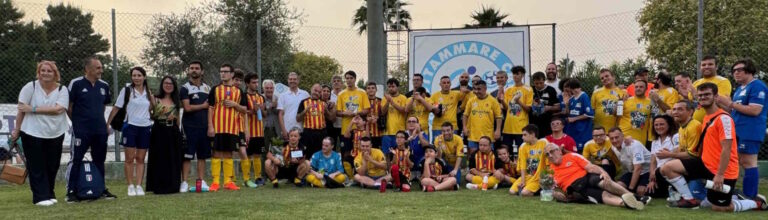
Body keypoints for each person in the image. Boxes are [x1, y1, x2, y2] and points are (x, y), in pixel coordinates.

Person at [661, 83, 768, 211]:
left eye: (707, 94)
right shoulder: (706, 117)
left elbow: (726, 149)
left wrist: (720, 175)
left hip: (723, 171)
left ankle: (755, 203)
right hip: (705, 165)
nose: (703, 97)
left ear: (716, 96)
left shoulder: (723, 119)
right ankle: (690, 200)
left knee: (719, 208)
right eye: (700, 95)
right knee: (667, 168)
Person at [11, 61, 69, 206]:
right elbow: (21, 110)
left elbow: (58, 109)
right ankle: (40, 197)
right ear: (39, 72)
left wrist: (33, 109)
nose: (45, 73)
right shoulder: (30, 87)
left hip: (55, 132)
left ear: (55, 73)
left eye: (49, 71)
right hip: (31, 131)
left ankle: (50, 193)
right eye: (42, 70)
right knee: (36, 165)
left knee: (52, 165)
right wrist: (16, 130)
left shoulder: (63, 90)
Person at [715, 59, 768, 200]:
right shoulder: (740, 89)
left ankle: (751, 196)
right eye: (734, 71)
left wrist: (730, 103)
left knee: (748, 161)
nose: (735, 73)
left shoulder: (757, 86)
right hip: (738, 130)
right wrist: (719, 103)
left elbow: (755, 110)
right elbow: (735, 110)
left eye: (739, 70)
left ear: (750, 70)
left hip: (750, 130)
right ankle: (738, 192)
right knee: (736, 160)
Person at [67, 56, 117, 202]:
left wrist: (100, 122)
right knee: (75, 159)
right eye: (98, 68)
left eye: (101, 67)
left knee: (99, 160)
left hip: (99, 130)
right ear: (87, 69)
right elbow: (69, 107)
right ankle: (71, 191)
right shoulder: (76, 83)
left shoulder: (104, 85)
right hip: (81, 130)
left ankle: (100, 188)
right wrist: (77, 123)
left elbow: (103, 106)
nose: (101, 70)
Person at [546, 144, 646, 210]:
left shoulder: (572, 156)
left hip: (587, 177)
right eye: (547, 154)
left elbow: (590, 167)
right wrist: (555, 194)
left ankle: (634, 196)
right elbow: (552, 188)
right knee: (604, 195)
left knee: (603, 181)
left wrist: (604, 173)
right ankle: (627, 204)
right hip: (575, 187)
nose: (550, 155)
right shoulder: (550, 170)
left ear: (559, 151)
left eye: (552, 151)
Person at [107, 67, 154, 196]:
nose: (136, 78)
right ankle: (130, 186)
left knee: (140, 158)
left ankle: (139, 185)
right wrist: (107, 124)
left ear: (144, 77)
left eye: (139, 75)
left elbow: (151, 110)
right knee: (129, 158)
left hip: (145, 128)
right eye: (134, 75)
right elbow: (116, 108)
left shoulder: (148, 93)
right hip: (130, 127)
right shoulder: (127, 90)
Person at [207, 64, 248, 191]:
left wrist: (235, 104)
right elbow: (210, 108)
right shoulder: (215, 89)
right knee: (216, 153)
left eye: (225, 72)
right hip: (218, 127)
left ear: (232, 74)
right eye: (221, 71)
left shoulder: (239, 91)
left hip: (232, 128)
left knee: (229, 153)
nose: (222, 74)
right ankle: (215, 182)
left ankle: (228, 181)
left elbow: (245, 109)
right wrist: (210, 126)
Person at [145, 76, 183, 194]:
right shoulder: (155, 98)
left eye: (171, 84)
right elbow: (148, 113)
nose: (168, 85)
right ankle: (158, 186)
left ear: (174, 86)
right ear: (162, 85)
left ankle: (173, 186)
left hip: (173, 130)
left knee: (173, 158)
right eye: (166, 83)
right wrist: (155, 115)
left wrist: (178, 128)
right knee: (159, 157)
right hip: (159, 130)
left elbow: (178, 119)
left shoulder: (176, 100)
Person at [179, 60, 212, 192]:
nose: (194, 70)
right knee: (187, 156)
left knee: (202, 156)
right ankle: (185, 182)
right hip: (189, 127)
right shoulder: (185, 88)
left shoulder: (208, 88)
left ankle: (201, 180)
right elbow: (187, 107)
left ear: (202, 71)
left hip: (204, 127)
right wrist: (203, 106)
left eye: (197, 68)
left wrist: (211, 125)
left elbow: (211, 108)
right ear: (188, 71)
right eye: (191, 68)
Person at [462, 80, 502, 155]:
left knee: (488, 157)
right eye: (475, 89)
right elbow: (465, 115)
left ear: (485, 88)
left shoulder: (493, 101)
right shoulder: (471, 101)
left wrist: (498, 130)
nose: (476, 91)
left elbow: (498, 117)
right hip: (473, 135)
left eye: (479, 89)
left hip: (488, 136)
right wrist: (464, 127)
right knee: (473, 157)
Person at [241, 74, 267, 188]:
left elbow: (265, 114)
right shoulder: (243, 96)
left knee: (257, 155)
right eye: (253, 82)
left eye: (257, 82)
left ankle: (258, 178)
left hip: (259, 132)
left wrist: (261, 109)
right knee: (248, 155)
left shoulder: (261, 97)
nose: (256, 84)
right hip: (248, 131)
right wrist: (253, 110)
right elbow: (242, 112)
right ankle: (246, 179)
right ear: (247, 83)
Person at [609, 127, 651, 196]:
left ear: (622, 136)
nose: (614, 140)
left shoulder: (634, 145)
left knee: (640, 191)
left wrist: (630, 189)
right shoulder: (613, 147)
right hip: (631, 172)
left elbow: (638, 168)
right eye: (612, 138)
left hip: (646, 172)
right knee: (617, 187)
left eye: (617, 137)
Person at [337, 71, 371, 156]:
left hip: (360, 129)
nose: (349, 80)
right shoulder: (341, 94)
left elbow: (367, 110)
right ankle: (347, 169)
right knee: (346, 154)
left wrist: (355, 113)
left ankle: (360, 169)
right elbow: (337, 112)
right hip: (346, 129)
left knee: (361, 152)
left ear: (355, 79)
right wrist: (345, 113)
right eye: (347, 78)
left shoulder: (362, 92)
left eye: (351, 78)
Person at [297, 84, 334, 158]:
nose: (317, 93)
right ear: (311, 90)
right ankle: (308, 168)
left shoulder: (323, 103)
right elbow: (298, 118)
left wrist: (329, 108)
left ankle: (319, 169)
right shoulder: (304, 102)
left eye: (319, 92)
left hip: (321, 133)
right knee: (307, 155)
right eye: (315, 90)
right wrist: (305, 110)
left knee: (321, 155)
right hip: (308, 133)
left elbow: (330, 118)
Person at [510, 125, 548, 196]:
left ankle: (540, 188)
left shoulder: (544, 142)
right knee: (512, 192)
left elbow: (548, 163)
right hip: (528, 176)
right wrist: (523, 180)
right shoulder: (523, 146)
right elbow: (523, 165)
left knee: (524, 193)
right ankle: (529, 187)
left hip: (539, 177)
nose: (522, 137)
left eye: (525, 135)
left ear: (533, 135)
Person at [692, 55, 732, 122]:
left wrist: (695, 95)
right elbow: (690, 99)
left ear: (716, 67)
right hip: (697, 124)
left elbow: (719, 100)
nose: (706, 67)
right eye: (703, 65)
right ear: (700, 67)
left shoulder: (723, 81)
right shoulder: (696, 82)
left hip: (713, 121)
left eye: (710, 64)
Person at [647, 115, 679, 198]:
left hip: (672, 172)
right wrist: (652, 179)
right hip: (658, 174)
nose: (658, 127)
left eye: (662, 124)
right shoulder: (654, 142)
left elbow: (677, 156)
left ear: (669, 125)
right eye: (656, 125)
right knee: (648, 192)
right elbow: (653, 161)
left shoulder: (675, 137)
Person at [502, 66, 533, 149]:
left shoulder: (528, 89)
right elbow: (506, 108)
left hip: (521, 127)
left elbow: (528, 109)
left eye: (517, 74)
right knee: (506, 150)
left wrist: (518, 101)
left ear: (522, 75)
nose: (515, 76)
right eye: (514, 74)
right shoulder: (508, 89)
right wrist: (501, 100)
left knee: (522, 150)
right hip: (508, 126)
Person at [619, 80, 652, 147]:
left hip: (640, 140)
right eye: (636, 87)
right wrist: (620, 102)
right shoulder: (626, 100)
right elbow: (615, 114)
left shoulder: (651, 102)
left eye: (641, 87)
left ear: (646, 88)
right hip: (624, 138)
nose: (638, 88)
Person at [562, 80, 593, 152]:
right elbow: (568, 113)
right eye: (572, 89)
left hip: (582, 131)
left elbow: (589, 114)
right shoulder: (572, 99)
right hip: (573, 131)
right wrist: (566, 104)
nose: (575, 90)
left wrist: (574, 119)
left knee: (581, 152)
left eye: (576, 88)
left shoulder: (583, 96)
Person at [278, 72, 310, 139]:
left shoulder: (305, 94)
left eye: (294, 79)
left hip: (302, 130)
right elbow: (280, 114)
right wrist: (283, 130)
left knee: (301, 149)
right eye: (290, 79)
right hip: (288, 130)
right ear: (288, 80)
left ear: (298, 81)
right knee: (288, 149)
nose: (292, 81)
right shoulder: (282, 96)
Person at [431, 76, 462, 140]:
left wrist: (460, 108)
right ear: (440, 84)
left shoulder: (456, 94)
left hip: (452, 126)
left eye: (448, 82)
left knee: (453, 148)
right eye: (444, 83)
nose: (446, 84)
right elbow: (432, 109)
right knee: (437, 148)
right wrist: (436, 111)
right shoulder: (434, 96)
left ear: (450, 84)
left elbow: (467, 99)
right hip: (438, 127)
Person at [381, 78, 408, 152]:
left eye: (393, 86)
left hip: (400, 131)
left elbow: (404, 110)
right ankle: (388, 164)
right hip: (387, 132)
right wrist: (388, 101)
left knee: (399, 153)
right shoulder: (385, 98)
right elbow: (383, 112)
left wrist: (392, 102)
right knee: (387, 153)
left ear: (397, 87)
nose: (391, 88)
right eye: (389, 87)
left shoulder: (403, 98)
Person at [531, 72, 560, 137]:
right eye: (536, 83)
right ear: (533, 82)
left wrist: (549, 108)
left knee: (546, 143)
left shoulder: (551, 90)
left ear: (544, 80)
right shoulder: (530, 90)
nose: (539, 85)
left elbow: (558, 107)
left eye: (541, 83)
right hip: (533, 122)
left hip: (546, 123)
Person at [262, 80, 281, 146]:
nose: (269, 90)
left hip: (276, 129)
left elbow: (281, 113)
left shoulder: (278, 98)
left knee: (276, 149)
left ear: (274, 89)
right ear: (263, 88)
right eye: (267, 88)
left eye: (271, 88)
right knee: (263, 150)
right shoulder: (260, 98)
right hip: (263, 128)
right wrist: (271, 105)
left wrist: (275, 107)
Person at [365, 82, 383, 147]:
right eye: (368, 88)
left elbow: (384, 114)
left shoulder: (381, 101)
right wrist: (366, 119)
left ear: (376, 89)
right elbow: (360, 114)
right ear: (366, 90)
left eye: (373, 88)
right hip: (366, 131)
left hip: (379, 132)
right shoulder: (363, 101)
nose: (371, 90)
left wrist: (378, 118)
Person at [329, 75, 344, 145]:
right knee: (332, 146)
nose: (336, 82)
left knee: (343, 146)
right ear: (332, 84)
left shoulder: (345, 94)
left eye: (338, 81)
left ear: (342, 84)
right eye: (334, 81)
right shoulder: (329, 95)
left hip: (343, 124)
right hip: (332, 125)